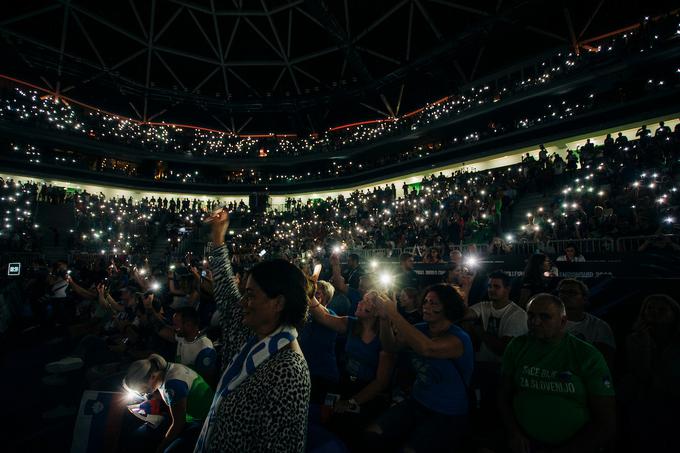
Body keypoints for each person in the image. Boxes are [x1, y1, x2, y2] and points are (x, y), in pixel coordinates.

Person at [193, 209, 311, 452]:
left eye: (250, 295)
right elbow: (226, 290)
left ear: (278, 303)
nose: (243, 302)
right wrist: (218, 237)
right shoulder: (250, 334)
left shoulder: (289, 370)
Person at [499, 294, 616, 453]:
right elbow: (504, 396)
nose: (535, 322)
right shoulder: (517, 346)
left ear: (562, 322)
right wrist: (513, 433)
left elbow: (606, 419)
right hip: (524, 443)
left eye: (545, 317)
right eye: (531, 315)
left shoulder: (586, 355)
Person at [366, 284, 473, 453]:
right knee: (373, 434)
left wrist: (394, 313)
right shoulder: (420, 329)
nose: (427, 306)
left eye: (434, 303)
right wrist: (385, 319)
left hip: (447, 413)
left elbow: (427, 348)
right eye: (426, 302)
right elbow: (390, 347)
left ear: (448, 308)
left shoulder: (458, 339)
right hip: (417, 402)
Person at [307, 290, 395, 447]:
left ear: (376, 310)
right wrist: (310, 294)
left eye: (366, 301)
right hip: (346, 382)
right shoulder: (351, 323)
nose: (359, 302)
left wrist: (351, 402)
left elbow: (381, 382)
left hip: (368, 391)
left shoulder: (384, 336)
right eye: (362, 299)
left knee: (350, 429)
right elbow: (324, 317)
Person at [621, 295, 680, 451]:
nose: (655, 312)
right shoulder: (634, 339)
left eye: (662, 310)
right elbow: (640, 373)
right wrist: (645, 342)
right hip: (643, 404)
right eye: (650, 308)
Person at [123, 354, 214, 453]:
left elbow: (178, 423)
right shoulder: (168, 369)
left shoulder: (172, 386)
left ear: (152, 377)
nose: (144, 393)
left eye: (144, 390)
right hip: (194, 412)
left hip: (203, 421)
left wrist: (161, 448)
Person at [557, 279, 616, 368]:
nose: (565, 296)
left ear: (584, 298)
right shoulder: (548, 322)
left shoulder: (599, 326)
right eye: (562, 292)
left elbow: (605, 361)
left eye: (572, 292)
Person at [298, 280, 340, 404]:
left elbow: (322, 314)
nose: (314, 295)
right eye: (313, 293)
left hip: (323, 376)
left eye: (318, 293)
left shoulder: (331, 316)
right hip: (306, 373)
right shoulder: (304, 316)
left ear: (326, 298)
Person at [153, 307, 217, 387]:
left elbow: (206, 383)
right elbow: (161, 330)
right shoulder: (183, 336)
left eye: (176, 325)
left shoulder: (205, 349)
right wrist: (149, 308)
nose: (174, 328)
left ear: (188, 325)